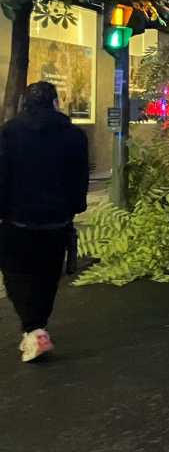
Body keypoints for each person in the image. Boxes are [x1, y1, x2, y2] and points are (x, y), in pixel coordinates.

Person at [0, 81, 88, 361]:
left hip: (17, 221)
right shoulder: (75, 136)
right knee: (48, 277)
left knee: (16, 275)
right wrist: (74, 208)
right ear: (55, 103)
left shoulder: (8, 134)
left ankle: (33, 328)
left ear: (24, 104)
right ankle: (37, 328)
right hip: (56, 221)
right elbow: (79, 179)